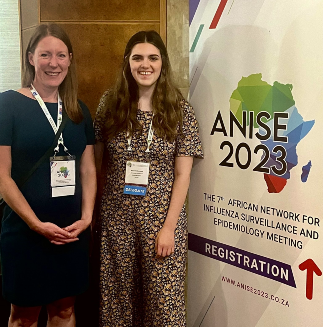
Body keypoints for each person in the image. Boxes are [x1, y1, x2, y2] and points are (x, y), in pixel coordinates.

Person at [94, 30, 203, 326]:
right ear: (127, 63)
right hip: (116, 220)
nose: (146, 64)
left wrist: (169, 228)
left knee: (163, 307)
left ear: (162, 63)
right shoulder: (110, 104)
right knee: (118, 304)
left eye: (153, 58)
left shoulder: (180, 111)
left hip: (161, 223)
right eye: (138, 57)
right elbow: (97, 163)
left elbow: (183, 175)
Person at [0, 24, 96, 327]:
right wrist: (36, 224)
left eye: (60, 55)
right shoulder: (7, 105)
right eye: (45, 55)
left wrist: (87, 217)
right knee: (24, 317)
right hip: (25, 232)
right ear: (31, 58)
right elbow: (2, 176)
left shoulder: (78, 111)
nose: (53, 63)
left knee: (65, 311)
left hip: (71, 232)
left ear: (69, 60)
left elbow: (88, 168)